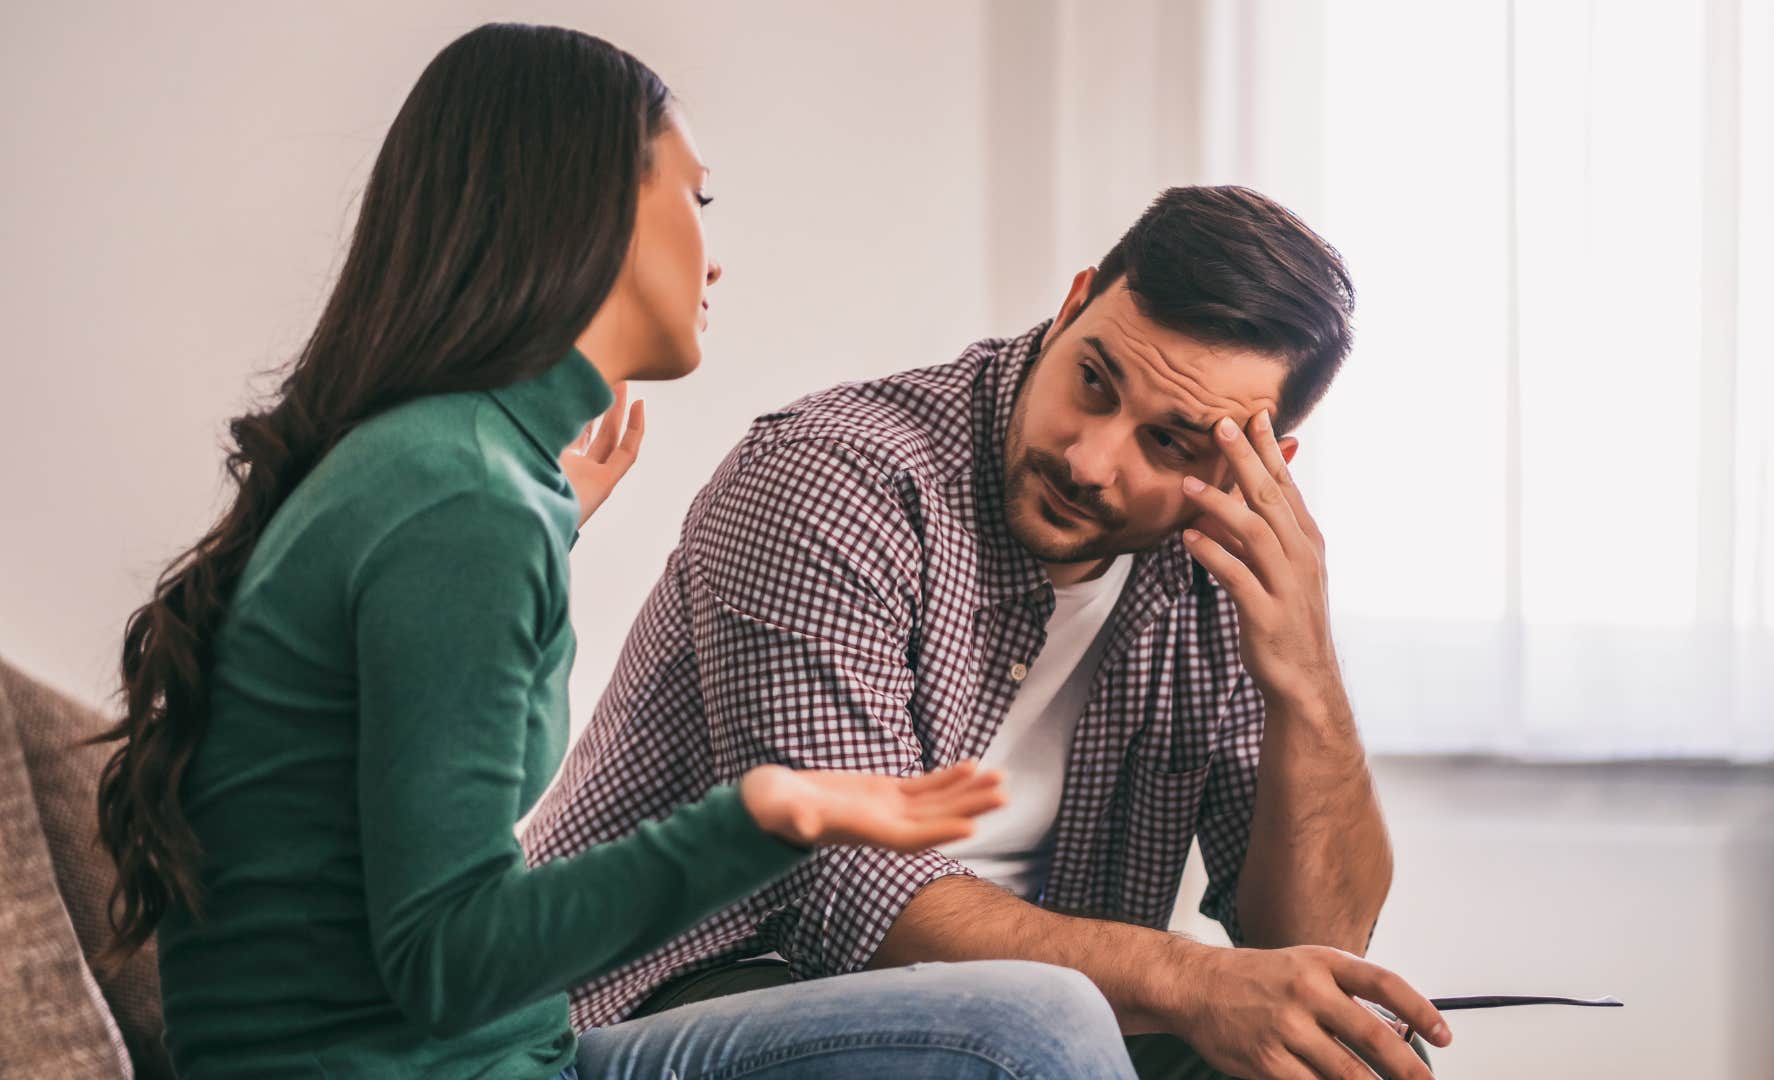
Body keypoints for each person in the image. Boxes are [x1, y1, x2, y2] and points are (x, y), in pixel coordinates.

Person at [93, 22, 1135, 1080]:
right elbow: (450, 964)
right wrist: (765, 816)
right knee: (1033, 1032)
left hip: (490, 1059)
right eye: (698, 198)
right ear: (588, 210)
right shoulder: (458, 500)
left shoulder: (447, 477)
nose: (715, 251)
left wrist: (541, 524)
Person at [523, 182, 1456, 1080]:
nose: (1091, 460)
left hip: (1011, 1043)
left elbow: (1314, 944)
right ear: (1073, 305)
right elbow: (850, 898)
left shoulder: (1220, 568)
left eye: (1168, 442)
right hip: (643, 1014)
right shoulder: (833, 480)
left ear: (1262, 463)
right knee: (1036, 1022)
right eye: (1094, 381)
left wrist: (1308, 677)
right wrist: (1187, 979)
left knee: (1344, 1052)